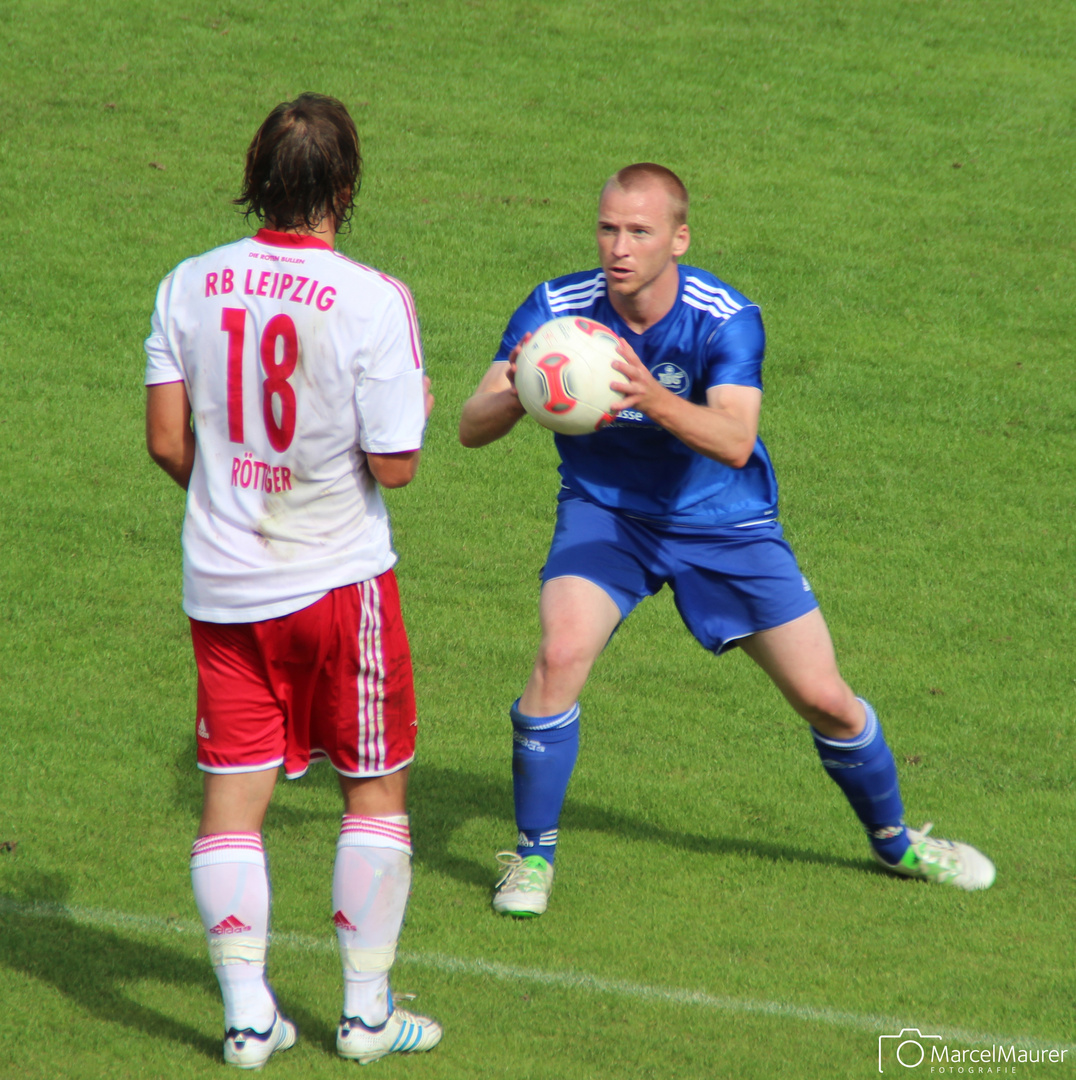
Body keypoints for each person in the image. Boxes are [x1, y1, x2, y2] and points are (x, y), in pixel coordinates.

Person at [459, 163, 995, 919]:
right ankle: (534, 855)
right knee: (558, 656)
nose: (619, 247)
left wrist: (648, 394)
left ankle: (896, 839)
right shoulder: (556, 310)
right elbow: (468, 427)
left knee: (826, 700)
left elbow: (736, 440)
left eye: (639, 231)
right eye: (608, 228)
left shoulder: (725, 317)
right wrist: (520, 393)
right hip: (607, 514)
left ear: (678, 237)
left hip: (723, 521)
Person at [144, 93, 442, 1067]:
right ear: (344, 190)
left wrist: (235, 494)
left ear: (257, 180)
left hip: (220, 587)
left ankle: (244, 1018)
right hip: (338, 585)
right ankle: (363, 1017)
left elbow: (164, 441)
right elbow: (394, 464)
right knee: (374, 789)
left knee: (234, 795)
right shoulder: (371, 298)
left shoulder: (187, 283)